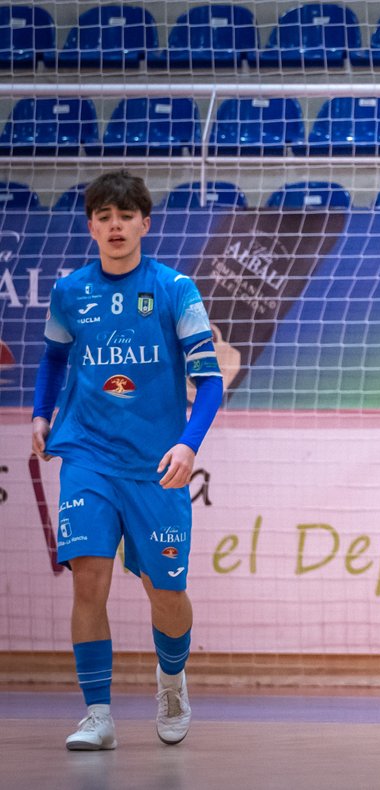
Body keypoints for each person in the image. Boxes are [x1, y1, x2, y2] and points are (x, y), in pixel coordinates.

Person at [31, 170, 223, 750]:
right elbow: (53, 358)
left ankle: (171, 679)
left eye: (125, 216)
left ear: (144, 222)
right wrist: (42, 413)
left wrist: (188, 443)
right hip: (87, 455)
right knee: (89, 580)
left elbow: (209, 382)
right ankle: (98, 714)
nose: (115, 226)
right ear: (91, 225)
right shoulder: (70, 291)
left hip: (156, 465)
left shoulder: (175, 289)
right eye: (104, 216)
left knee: (166, 591)